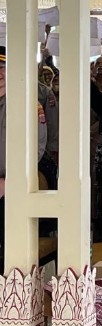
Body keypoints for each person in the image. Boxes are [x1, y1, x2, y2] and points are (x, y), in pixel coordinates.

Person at [0, 47, 47, 272]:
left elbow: (37, 147)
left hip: (14, 189)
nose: (0, 73)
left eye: (3, 67)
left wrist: (9, 181)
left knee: (12, 254)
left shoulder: (28, 105)